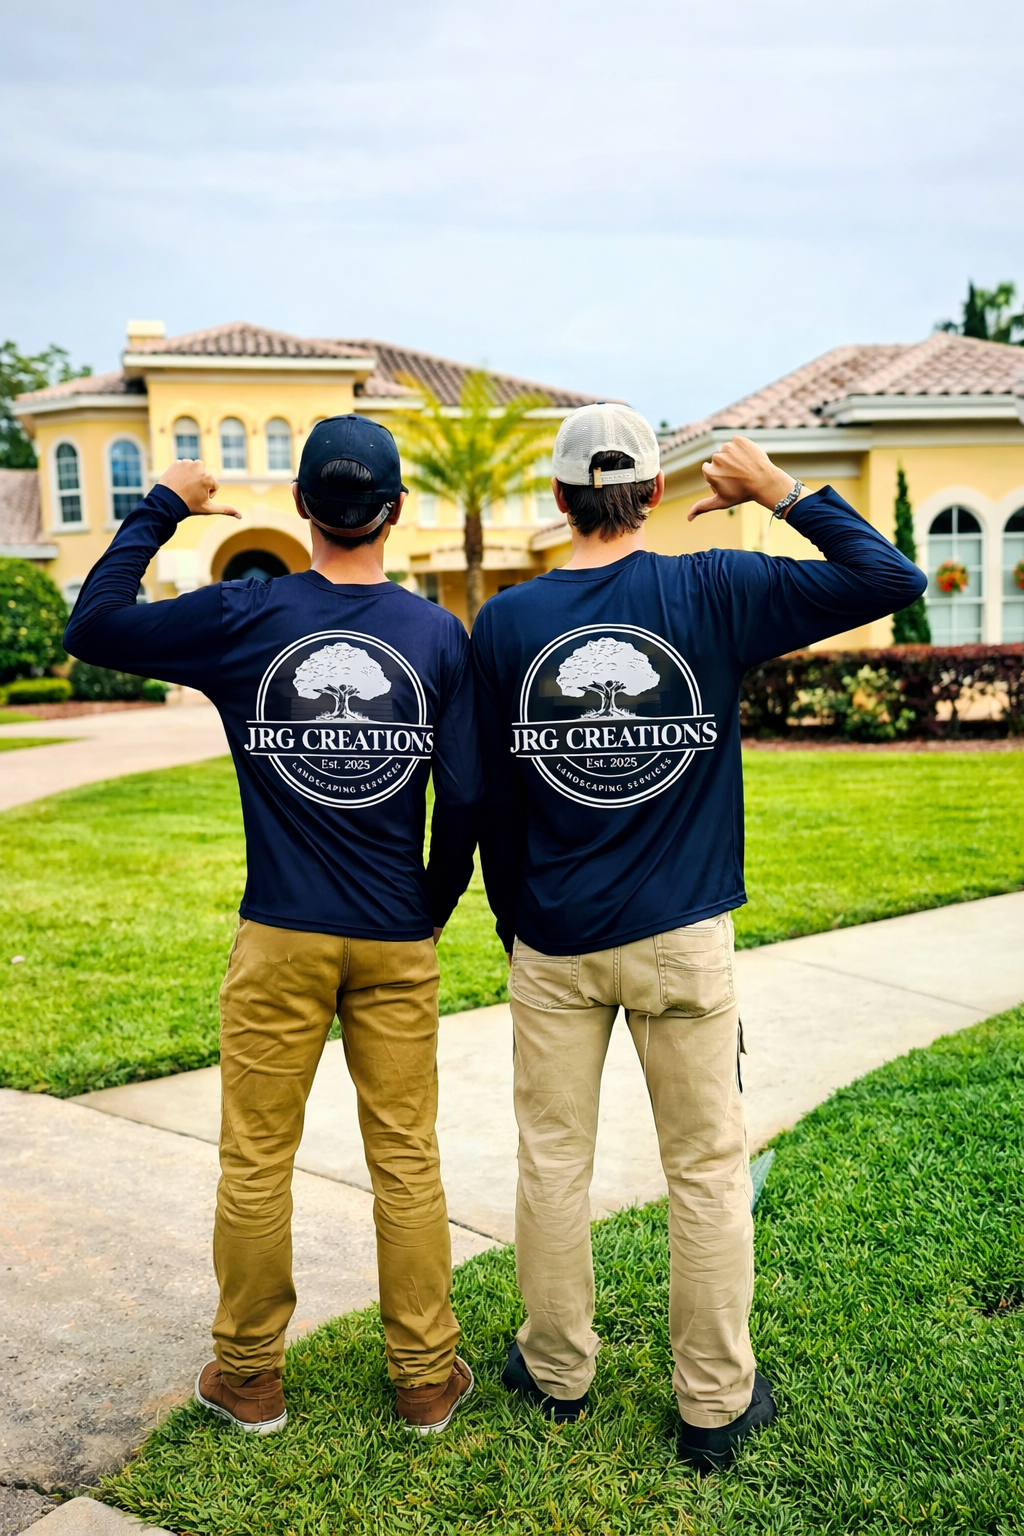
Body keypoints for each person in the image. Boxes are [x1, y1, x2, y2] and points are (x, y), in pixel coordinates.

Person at [471, 406, 926, 1470]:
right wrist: (779, 491)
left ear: (558, 501)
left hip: (554, 943)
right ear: (654, 495)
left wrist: (510, 923)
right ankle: (714, 1406)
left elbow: (489, 799)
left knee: (552, 1161)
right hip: (681, 939)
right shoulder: (713, 585)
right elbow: (888, 580)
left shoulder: (505, 622)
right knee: (708, 1172)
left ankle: (555, 1373)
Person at [64, 416, 482, 1436]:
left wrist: (164, 503)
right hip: (393, 932)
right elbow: (467, 800)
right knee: (407, 1159)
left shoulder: (247, 615)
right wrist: (425, 908)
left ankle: (249, 1379)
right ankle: (425, 1380)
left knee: (255, 1158)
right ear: (394, 512)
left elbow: (97, 621)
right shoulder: (435, 636)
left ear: (302, 508)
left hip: (280, 934)